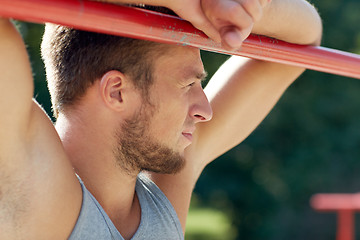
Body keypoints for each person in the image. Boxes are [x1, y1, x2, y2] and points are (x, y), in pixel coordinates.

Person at [0, 0, 322, 239]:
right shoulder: (29, 179)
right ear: (117, 92)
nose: (204, 109)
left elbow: (304, 41)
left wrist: (242, 7)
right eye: (187, 85)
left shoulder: (164, 193)